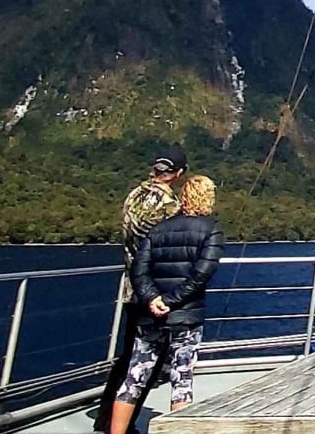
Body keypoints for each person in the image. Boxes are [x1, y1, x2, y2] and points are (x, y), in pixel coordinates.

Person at [108, 175, 224, 434]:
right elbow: (202, 273)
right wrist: (171, 301)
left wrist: (153, 298)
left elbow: (139, 269)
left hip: (150, 317)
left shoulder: (158, 229)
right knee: (181, 380)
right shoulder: (210, 229)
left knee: (133, 379)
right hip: (185, 317)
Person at [93, 144, 186, 433]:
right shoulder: (171, 206)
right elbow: (169, 250)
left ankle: (106, 417)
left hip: (131, 287)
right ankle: (123, 423)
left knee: (127, 355)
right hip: (155, 291)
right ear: (178, 173)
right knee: (150, 360)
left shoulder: (133, 196)